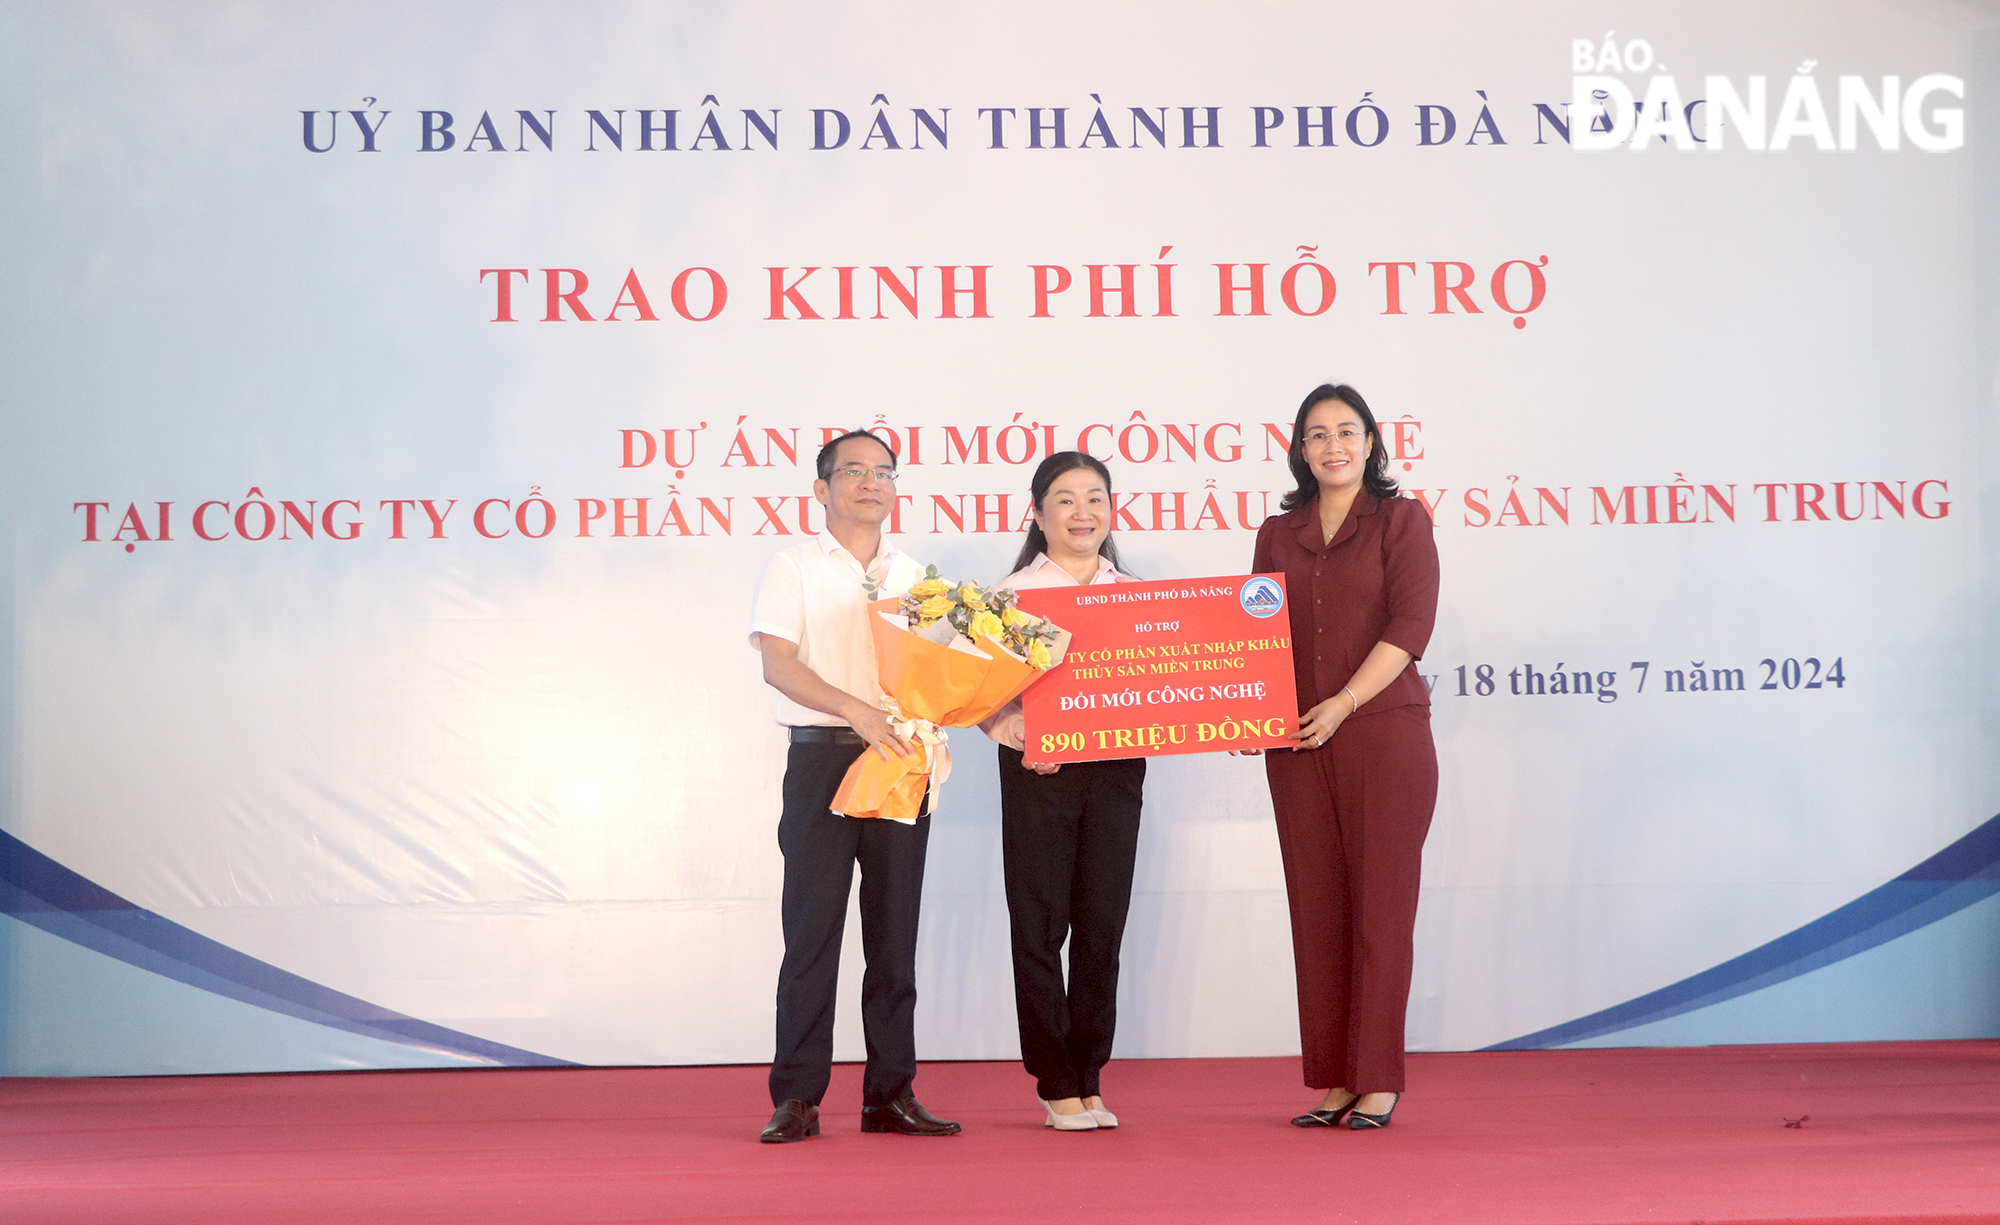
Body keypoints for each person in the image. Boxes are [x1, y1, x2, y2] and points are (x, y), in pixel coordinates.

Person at [747, 430, 961, 1143]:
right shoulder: (794, 567)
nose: (871, 483)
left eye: (884, 473)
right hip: (822, 761)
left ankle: (891, 1093)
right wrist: (856, 710)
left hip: (901, 761)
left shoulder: (918, 576)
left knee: (895, 936)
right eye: (854, 472)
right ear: (822, 489)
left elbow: (942, 672)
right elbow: (778, 664)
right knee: (812, 933)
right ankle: (798, 1098)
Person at [1244, 384, 1439, 1131]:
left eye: (1346, 431)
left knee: (1379, 913)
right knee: (1317, 910)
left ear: (1371, 441)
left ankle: (1378, 1078)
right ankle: (1334, 1078)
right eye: (1317, 433)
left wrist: (1345, 702)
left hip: (1381, 735)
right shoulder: (1276, 531)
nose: (1333, 445)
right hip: (1295, 741)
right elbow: (1252, 635)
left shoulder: (1399, 519)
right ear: (1299, 446)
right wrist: (1244, 708)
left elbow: (1411, 622)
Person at [983, 452, 1146, 1132]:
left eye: (1096, 498)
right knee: (1040, 925)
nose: (1084, 512)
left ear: (1111, 510)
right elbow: (972, 693)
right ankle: (1054, 1079)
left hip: (1117, 770)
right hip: (1040, 772)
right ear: (1039, 513)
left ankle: (1089, 1073)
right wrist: (1009, 725)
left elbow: (1169, 687)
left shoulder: (1138, 595)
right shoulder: (1012, 594)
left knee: (1103, 926)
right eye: (1066, 499)